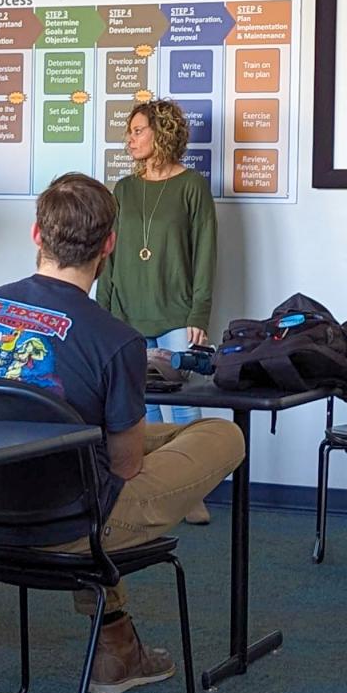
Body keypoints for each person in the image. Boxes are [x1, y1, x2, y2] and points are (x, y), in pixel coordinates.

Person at [0, 172, 244, 693]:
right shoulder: (116, 339)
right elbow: (125, 468)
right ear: (110, 244)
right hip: (65, 525)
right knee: (221, 436)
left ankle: (118, 646)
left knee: (84, 455)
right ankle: (118, 652)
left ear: (37, 235)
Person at [95, 99, 218, 525]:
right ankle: (153, 493)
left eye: (138, 130)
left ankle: (190, 492)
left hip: (176, 313)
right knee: (139, 412)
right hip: (127, 312)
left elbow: (205, 254)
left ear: (161, 133)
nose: (129, 139)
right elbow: (108, 256)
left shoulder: (192, 186)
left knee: (182, 410)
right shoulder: (124, 190)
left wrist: (198, 314)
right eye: (129, 131)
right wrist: (101, 311)